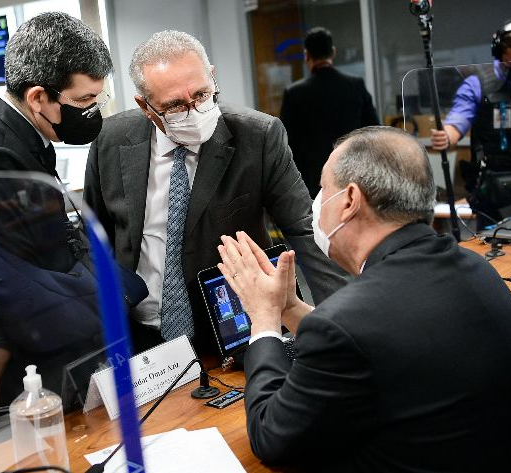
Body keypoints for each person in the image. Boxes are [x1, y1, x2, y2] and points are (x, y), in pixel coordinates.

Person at [217, 126, 511, 471]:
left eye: (323, 189)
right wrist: (289, 307)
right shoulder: (475, 267)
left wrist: (263, 321)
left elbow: (271, 438)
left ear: (350, 201)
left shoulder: (347, 322)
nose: (316, 202)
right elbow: (374, 340)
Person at [84, 30, 348, 355]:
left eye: (201, 94)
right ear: (145, 106)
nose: (194, 111)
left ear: (212, 76)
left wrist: (341, 325)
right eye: (176, 106)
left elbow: (305, 231)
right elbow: (94, 238)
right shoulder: (110, 140)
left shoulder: (258, 136)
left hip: (233, 331)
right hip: (139, 336)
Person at [0, 12, 113, 434]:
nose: (93, 113)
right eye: (84, 102)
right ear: (38, 97)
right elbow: (10, 284)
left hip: (33, 334)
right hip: (4, 360)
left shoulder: (19, 132)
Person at [431, 18, 511, 223]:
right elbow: (459, 117)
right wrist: (447, 136)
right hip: (494, 184)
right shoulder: (478, 83)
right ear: (499, 53)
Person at [280, 27, 379, 198]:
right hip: (352, 178)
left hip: (313, 184)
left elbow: (287, 144)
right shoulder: (355, 86)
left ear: (306, 55)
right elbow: (374, 132)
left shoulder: (294, 93)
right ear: (333, 52)